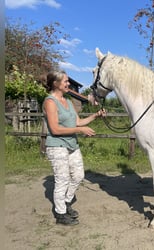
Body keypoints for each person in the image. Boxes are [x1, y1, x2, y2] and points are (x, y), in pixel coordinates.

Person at [43, 70, 106, 225]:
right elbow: (55, 129)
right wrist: (79, 131)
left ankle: (66, 201)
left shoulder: (69, 101)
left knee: (78, 175)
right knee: (62, 180)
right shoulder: (50, 102)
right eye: (65, 81)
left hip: (71, 144)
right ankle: (60, 213)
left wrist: (95, 116)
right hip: (57, 146)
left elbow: (77, 122)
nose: (68, 83)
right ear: (55, 84)